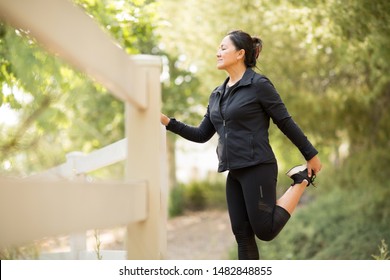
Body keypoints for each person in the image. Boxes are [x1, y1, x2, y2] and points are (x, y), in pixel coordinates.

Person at [160, 30, 322, 260]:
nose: (218, 52)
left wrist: (311, 154)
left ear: (240, 54)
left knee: (264, 231)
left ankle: (301, 180)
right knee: (243, 236)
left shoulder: (258, 85)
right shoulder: (217, 94)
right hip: (234, 172)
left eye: (223, 48)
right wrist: (167, 122)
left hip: (258, 166)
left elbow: (284, 121)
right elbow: (201, 134)